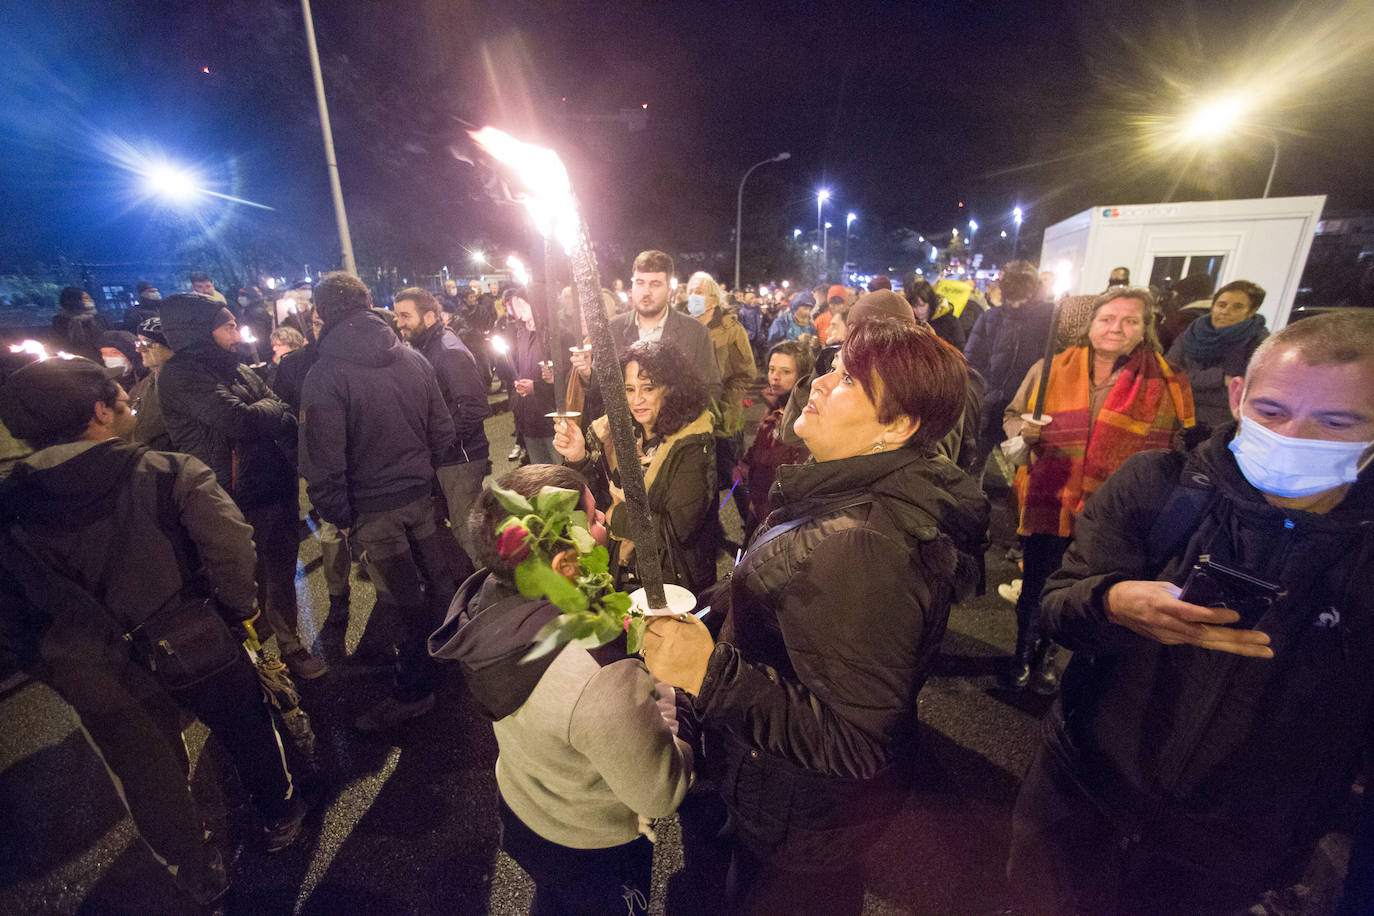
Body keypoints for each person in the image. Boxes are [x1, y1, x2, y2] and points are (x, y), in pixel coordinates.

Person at [1008, 310, 1374, 914]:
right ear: (1238, 396)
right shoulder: (1157, 485)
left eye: (1335, 422)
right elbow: (1057, 603)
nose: (1297, 437)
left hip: (1227, 850)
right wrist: (1111, 602)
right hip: (1080, 794)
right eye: (1274, 412)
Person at [640, 316, 989, 914]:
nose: (822, 383)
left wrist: (709, 673)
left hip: (797, 830)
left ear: (898, 426)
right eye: (832, 367)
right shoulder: (837, 491)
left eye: (850, 379)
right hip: (771, 795)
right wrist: (711, 609)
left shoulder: (866, 544)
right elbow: (786, 583)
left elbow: (857, 740)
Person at [0, 357, 304, 906]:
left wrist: (52, 666)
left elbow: (10, 615)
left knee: (144, 772)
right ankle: (280, 814)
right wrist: (240, 613)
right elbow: (232, 552)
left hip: (92, 670)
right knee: (247, 729)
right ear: (100, 410)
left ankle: (193, 868)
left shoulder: (9, 507)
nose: (131, 405)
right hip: (195, 641)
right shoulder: (169, 472)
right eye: (122, 396)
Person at [428, 464, 694, 915]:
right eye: (593, 518)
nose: (605, 522)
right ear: (562, 564)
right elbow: (659, 793)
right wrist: (675, 699)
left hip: (528, 809)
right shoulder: (597, 673)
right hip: (594, 843)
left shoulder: (487, 601)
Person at [1001, 287, 1194, 693]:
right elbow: (1013, 415)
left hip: (1115, 513)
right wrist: (1024, 432)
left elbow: (1178, 446)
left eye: (1129, 321)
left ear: (1145, 329)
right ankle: (1022, 652)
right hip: (1052, 501)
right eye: (1107, 319)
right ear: (1090, 325)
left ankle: (1049, 656)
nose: (1116, 329)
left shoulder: (1168, 382)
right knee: (1037, 585)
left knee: (1083, 593)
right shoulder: (1050, 368)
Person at [299, 271, 458, 730]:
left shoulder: (325, 374)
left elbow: (322, 463)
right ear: (368, 304)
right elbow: (442, 432)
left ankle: (414, 691)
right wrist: (420, 474)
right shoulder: (410, 358)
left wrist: (341, 517)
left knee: (401, 600)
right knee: (438, 583)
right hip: (417, 498)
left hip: (373, 509)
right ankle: (449, 661)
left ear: (321, 314)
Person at [157, 293, 326, 680]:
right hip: (231, 498)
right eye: (228, 324)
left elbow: (282, 409)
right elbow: (240, 420)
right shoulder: (181, 376)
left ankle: (290, 646)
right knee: (241, 584)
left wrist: (262, 410)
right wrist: (263, 410)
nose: (237, 332)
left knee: (282, 573)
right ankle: (250, 662)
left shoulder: (235, 368)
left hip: (273, 488)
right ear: (199, 330)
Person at [554, 340, 719, 594]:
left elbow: (679, 532)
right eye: (629, 389)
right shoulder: (621, 431)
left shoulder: (691, 443)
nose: (637, 399)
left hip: (673, 580)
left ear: (672, 388)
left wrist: (616, 516)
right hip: (624, 571)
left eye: (648, 388)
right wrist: (578, 457)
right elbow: (597, 501)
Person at [392, 286, 491, 561]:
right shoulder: (428, 348)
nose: (399, 323)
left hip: (460, 459)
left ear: (429, 317)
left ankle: (495, 594)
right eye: (397, 316)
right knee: (463, 531)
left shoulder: (447, 350)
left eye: (405, 316)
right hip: (447, 458)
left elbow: (474, 407)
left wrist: (441, 441)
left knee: (469, 532)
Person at [963, 259, 1056, 478]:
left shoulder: (1048, 319)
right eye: (1012, 298)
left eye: (1022, 298)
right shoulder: (990, 318)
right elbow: (971, 362)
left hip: (1026, 411)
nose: (1016, 305)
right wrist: (985, 393)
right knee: (972, 468)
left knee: (1025, 474)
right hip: (989, 409)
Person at [610, 250, 722, 403]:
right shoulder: (613, 329)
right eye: (640, 283)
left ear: (669, 289)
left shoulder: (695, 333)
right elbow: (600, 386)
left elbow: (711, 389)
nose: (646, 292)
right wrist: (586, 375)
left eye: (655, 284)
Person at [1166, 280, 1268, 430]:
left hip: (1220, 427)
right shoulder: (1192, 333)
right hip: (1177, 417)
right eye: (1222, 305)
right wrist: (1220, 379)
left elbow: (1240, 394)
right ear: (1213, 306)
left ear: (1251, 311)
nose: (1226, 311)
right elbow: (1169, 374)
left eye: (1237, 307)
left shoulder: (1259, 345)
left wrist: (1189, 385)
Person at [735, 340, 812, 538]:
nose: (775, 377)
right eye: (771, 369)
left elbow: (797, 474)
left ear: (801, 376)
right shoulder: (775, 404)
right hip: (760, 505)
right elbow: (762, 443)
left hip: (779, 518)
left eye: (786, 372)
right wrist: (745, 464)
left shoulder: (803, 418)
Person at [129, 316, 174, 450]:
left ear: (170, 345)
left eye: (147, 343)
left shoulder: (185, 385)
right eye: (138, 343)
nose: (139, 349)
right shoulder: (143, 385)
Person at [904, 276, 967, 350]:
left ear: (931, 302)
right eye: (914, 306)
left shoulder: (950, 322)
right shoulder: (909, 323)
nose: (918, 310)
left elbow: (960, 348)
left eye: (922, 305)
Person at [51, 286, 106, 362]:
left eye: (89, 297)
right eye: (86, 298)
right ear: (75, 301)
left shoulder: (98, 318)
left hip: (100, 359)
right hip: (74, 361)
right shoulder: (61, 320)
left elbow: (107, 339)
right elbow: (60, 343)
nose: (91, 300)